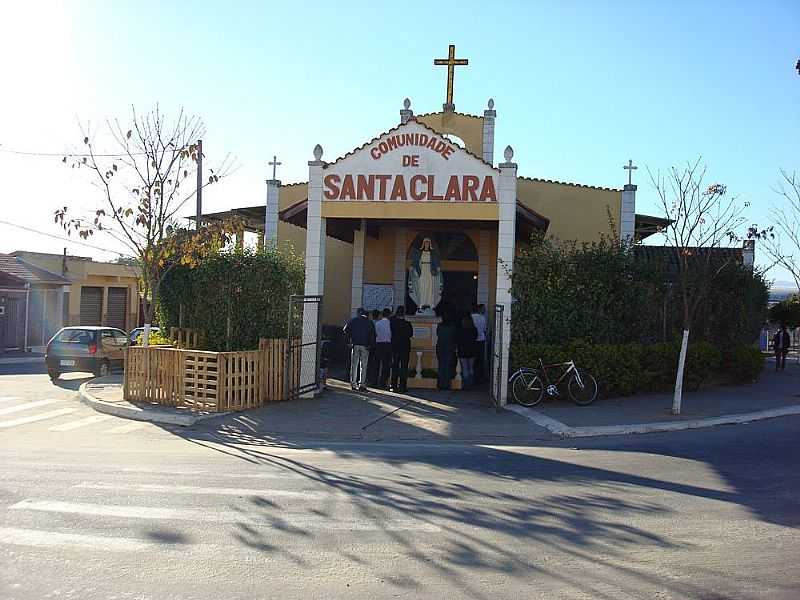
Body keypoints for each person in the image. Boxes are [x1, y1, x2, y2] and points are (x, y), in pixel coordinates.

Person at [343, 308, 375, 391]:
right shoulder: (370, 322)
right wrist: (370, 345)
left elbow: (345, 330)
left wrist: (348, 342)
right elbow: (373, 335)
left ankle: (353, 384)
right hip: (365, 346)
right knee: (363, 366)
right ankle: (362, 384)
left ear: (359, 313)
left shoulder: (353, 321)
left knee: (354, 365)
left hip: (355, 345)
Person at [390, 305, 413, 392]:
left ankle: (393, 385)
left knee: (394, 366)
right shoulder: (407, 324)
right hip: (405, 348)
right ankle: (402, 386)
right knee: (404, 367)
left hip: (395, 347)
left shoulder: (392, 323)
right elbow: (410, 334)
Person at [436, 308, 458, 390]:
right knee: (448, 366)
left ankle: (440, 384)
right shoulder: (452, 327)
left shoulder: (440, 326)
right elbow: (454, 337)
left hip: (440, 347)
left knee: (441, 365)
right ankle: (446, 384)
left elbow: (438, 334)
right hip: (449, 347)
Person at [457, 314, 479, 388]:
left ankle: (466, 384)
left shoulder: (460, 330)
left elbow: (458, 340)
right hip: (472, 350)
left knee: (465, 368)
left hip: (462, 350)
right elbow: (476, 337)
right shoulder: (474, 329)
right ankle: (471, 383)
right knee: (471, 368)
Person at [375, 307, 393, 388]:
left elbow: (374, 334)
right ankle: (383, 382)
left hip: (378, 344)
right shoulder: (390, 323)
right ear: (389, 315)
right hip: (387, 345)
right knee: (386, 364)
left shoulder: (377, 323)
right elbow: (391, 334)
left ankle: (374, 381)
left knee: (377, 363)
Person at [471, 304, 487, 384]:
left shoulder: (471, 317)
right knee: (480, 359)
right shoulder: (483, 318)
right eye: (484, 309)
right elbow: (484, 329)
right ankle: (479, 377)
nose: (485, 310)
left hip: (472, 340)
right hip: (481, 340)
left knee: (473, 359)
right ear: (480, 309)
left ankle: (472, 376)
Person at [367, 309, 381, 385]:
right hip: (377, 345)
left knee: (369, 363)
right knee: (375, 363)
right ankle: (374, 379)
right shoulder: (379, 323)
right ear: (378, 316)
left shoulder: (369, 323)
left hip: (370, 345)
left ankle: (369, 378)